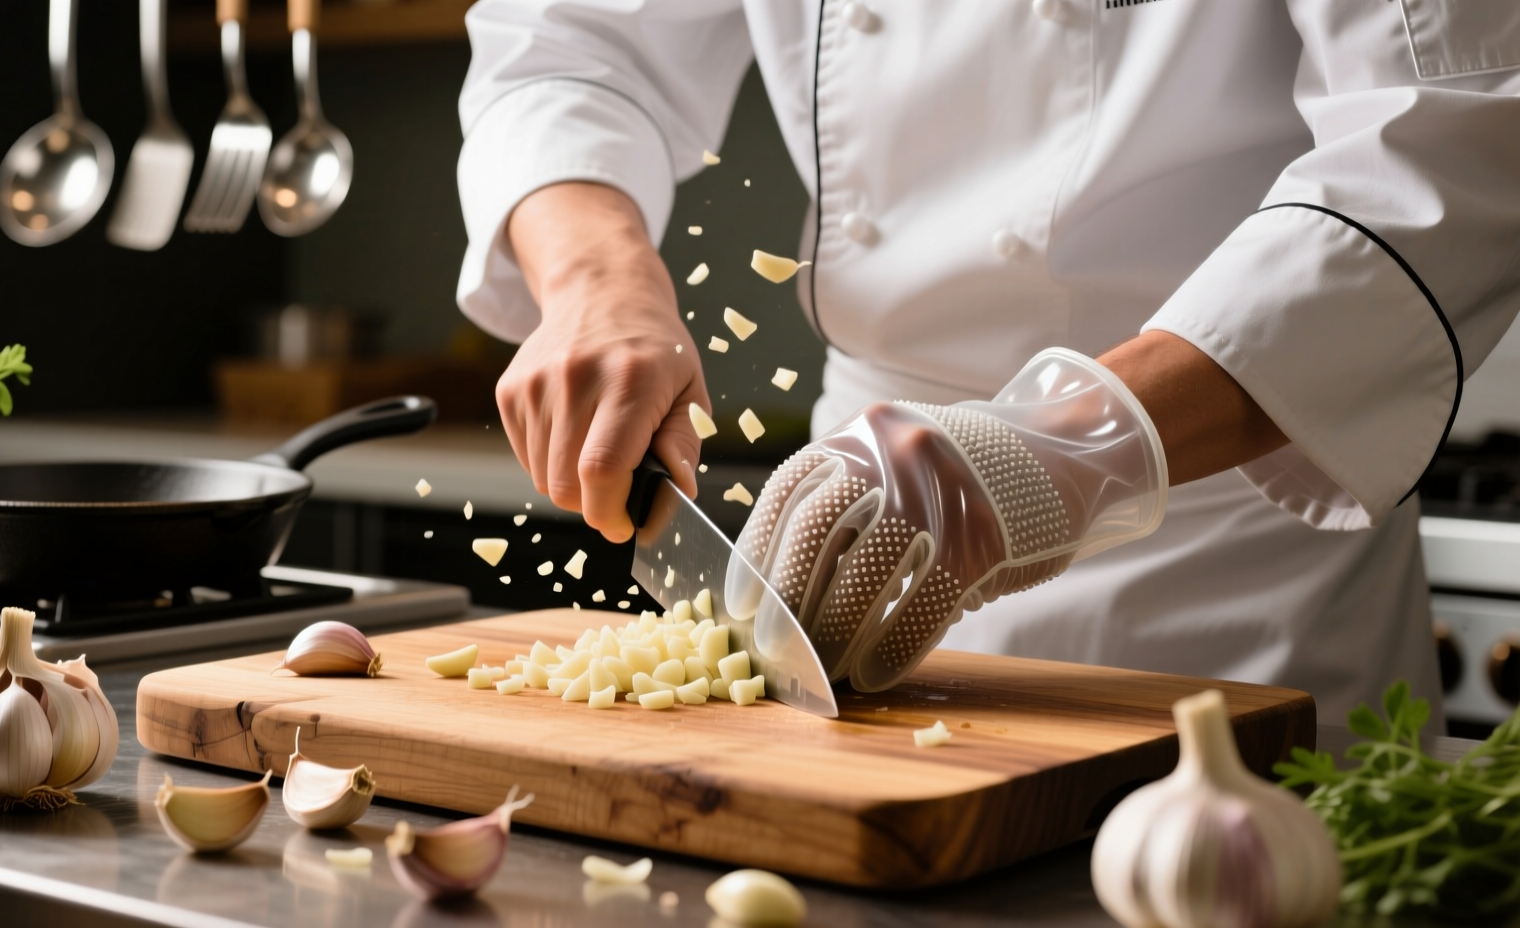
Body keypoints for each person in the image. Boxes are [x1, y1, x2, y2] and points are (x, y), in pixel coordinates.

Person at [452, 1, 1520, 724]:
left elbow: (1447, 130)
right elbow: (566, 43)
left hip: (1227, 564)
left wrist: (1066, 447)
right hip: (851, 539)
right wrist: (595, 279)